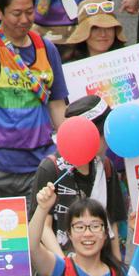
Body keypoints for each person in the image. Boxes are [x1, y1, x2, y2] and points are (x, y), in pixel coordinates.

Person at [0, 0, 69, 199]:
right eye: (16, 13)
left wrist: (71, 148)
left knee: (38, 229)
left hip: (38, 165)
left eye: (29, 12)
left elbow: (57, 105)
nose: (24, 19)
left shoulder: (46, 49)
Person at [29, 97, 127, 263]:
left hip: (99, 262)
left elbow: (112, 223)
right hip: (62, 262)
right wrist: (64, 267)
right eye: (103, 135)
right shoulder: (51, 168)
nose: (107, 142)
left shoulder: (105, 166)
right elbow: (44, 227)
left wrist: (118, 269)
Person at [31, 184, 125, 276]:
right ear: (69, 233)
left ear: (106, 233)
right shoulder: (60, 268)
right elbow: (32, 247)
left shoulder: (121, 273)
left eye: (95, 226)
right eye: (80, 227)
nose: (87, 234)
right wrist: (42, 208)